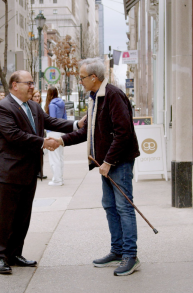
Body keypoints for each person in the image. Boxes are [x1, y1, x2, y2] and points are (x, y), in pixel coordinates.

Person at [50, 58, 141, 276]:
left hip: (117, 162)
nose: (79, 81)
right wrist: (60, 141)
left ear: (93, 77)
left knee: (124, 207)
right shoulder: (95, 98)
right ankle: (117, 251)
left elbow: (123, 132)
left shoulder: (113, 95)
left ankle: (130, 255)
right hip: (105, 163)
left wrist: (108, 161)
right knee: (110, 206)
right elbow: (86, 132)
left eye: (82, 77)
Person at [0, 70, 82, 275]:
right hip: (7, 172)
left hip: (29, 170)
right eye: (28, 83)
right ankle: (0, 257)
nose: (32, 86)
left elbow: (51, 122)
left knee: (22, 216)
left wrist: (77, 124)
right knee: (3, 216)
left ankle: (15, 254)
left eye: (33, 83)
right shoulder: (2, 108)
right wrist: (43, 142)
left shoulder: (33, 106)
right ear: (14, 85)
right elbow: (14, 135)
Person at [44, 87, 66, 186]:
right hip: (61, 131)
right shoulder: (61, 103)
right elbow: (64, 118)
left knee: (54, 157)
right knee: (60, 156)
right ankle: (60, 178)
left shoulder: (52, 105)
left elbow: (52, 121)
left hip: (53, 132)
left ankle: (57, 180)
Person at [31, 90, 47, 179]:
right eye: (35, 96)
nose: (37, 98)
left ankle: (40, 171)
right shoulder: (30, 107)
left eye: (38, 96)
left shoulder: (39, 107)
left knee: (41, 154)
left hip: (40, 135)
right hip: (34, 136)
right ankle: (36, 171)